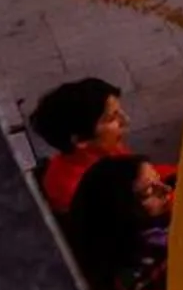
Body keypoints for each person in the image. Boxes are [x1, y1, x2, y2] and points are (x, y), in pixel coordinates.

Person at [30, 79, 171, 216]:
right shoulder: (78, 191)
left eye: (120, 112)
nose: (125, 120)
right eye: (111, 118)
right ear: (80, 140)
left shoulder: (106, 149)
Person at [62, 156, 171, 290]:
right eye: (149, 191)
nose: (166, 190)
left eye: (160, 181)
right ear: (121, 210)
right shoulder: (151, 257)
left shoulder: (103, 260)